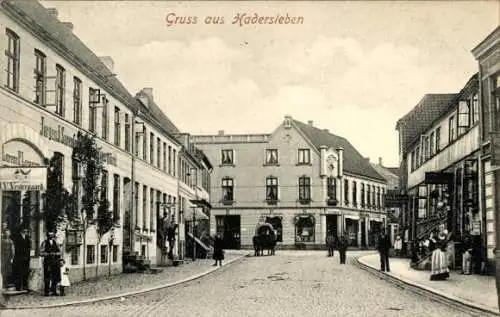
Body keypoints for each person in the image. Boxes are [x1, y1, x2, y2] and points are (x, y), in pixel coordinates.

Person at [40, 231, 61, 296]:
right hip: (48, 262)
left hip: (55, 262)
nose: (51, 237)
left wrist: (56, 254)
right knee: (47, 277)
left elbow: (59, 252)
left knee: (55, 277)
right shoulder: (44, 243)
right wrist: (48, 254)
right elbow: (41, 253)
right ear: (47, 236)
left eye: (52, 235)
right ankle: (46, 292)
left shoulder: (56, 243)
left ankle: (54, 291)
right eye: (50, 235)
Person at [12, 226, 30, 292]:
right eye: (24, 231)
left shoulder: (27, 238)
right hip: (19, 258)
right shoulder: (17, 238)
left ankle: (25, 286)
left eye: (26, 231)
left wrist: (27, 256)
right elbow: (17, 248)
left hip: (26, 258)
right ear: (21, 230)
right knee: (19, 272)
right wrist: (21, 256)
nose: (25, 232)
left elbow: (28, 248)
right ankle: (18, 287)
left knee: (25, 273)